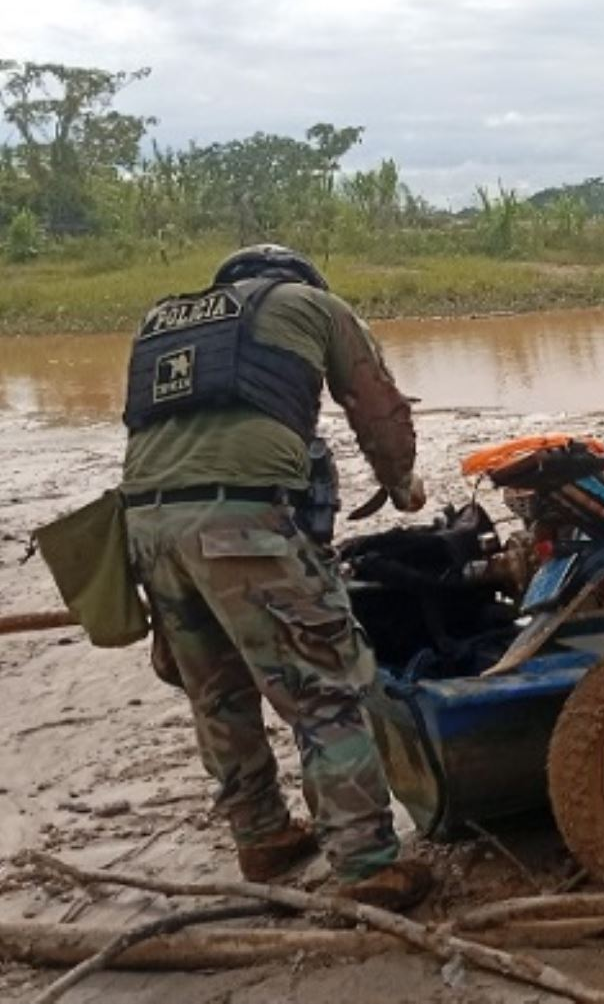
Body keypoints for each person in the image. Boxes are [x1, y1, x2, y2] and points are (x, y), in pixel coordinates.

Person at [120, 243, 436, 907]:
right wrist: (401, 484)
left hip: (145, 527)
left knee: (217, 692)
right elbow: (377, 409)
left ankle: (261, 836)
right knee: (324, 686)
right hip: (241, 525)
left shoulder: (161, 321)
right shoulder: (315, 305)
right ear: (301, 280)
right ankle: (366, 864)